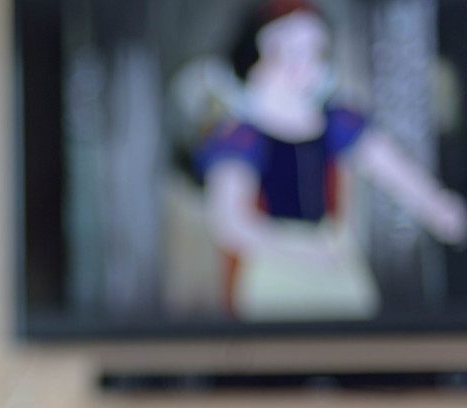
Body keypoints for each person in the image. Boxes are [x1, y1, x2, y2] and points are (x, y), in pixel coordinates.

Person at [197, 0, 467, 320]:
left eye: (312, 50)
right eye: (288, 51)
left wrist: (440, 210)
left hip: (334, 260)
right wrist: (295, 250)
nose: (302, 64)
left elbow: (391, 169)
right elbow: (229, 222)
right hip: (274, 267)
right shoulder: (241, 137)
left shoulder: (336, 122)